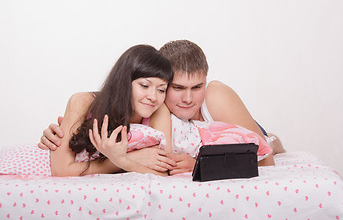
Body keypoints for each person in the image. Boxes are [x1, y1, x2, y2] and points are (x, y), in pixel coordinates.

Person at [39, 40, 277, 175]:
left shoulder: (213, 95)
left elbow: (264, 158)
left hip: (241, 133)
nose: (187, 99)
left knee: (273, 144)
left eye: (196, 87)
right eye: (176, 88)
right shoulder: (154, 104)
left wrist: (200, 165)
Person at [48, 44, 175, 177]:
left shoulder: (159, 110)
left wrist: (124, 161)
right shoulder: (82, 101)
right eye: (144, 85)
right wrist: (119, 160)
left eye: (161, 90)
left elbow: (164, 172)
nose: (153, 97)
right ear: (124, 82)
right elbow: (60, 170)